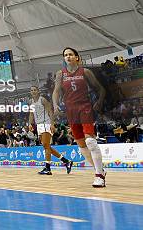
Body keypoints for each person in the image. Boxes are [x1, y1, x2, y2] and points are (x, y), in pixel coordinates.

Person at [52, 47, 106, 187]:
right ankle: (99, 170)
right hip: (71, 111)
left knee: (91, 142)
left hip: (85, 108)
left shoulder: (85, 72)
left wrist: (99, 102)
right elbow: (56, 91)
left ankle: (99, 175)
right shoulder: (60, 74)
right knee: (81, 145)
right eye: (65, 55)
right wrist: (55, 104)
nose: (68, 57)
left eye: (70, 54)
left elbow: (100, 89)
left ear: (77, 57)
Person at [28, 86, 73, 175]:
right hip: (39, 125)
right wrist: (30, 124)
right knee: (46, 147)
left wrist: (52, 124)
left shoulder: (43, 100)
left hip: (46, 123)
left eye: (35, 90)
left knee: (46, 145)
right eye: (31, 90)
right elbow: (31, 114)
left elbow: (50, 112)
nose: (33, 91)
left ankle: (48, 168)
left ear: (38, 91)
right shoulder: (31, 102)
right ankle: (66, 161)